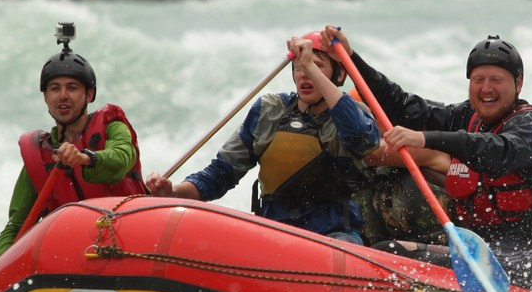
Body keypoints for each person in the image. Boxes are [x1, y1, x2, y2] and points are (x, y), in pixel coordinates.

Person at [326, 27, 532, 288]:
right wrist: (351, 57)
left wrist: (425, 138)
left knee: (394, 252)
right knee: (381, 243)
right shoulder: (468, 115)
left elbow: (496, 151)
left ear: (518, 83)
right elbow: (403, 106)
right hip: (486, 241)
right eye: (478, 79)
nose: (486, 89)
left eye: (496, 80)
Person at [145, 32, 381, 245]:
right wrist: (173, 192)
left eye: (316, 67)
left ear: (339, 74)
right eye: (299, 67)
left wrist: (312, 68)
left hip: (333, 235)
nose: (304, 74)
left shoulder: (353, 114)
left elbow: (363, 138)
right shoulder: (270, 111)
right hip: (273, 231)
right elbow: (220, 174)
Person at [0, 25, 148, 262]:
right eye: (55, 88)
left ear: (89, 95)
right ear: (45, 97)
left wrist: (86, 158)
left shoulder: (112, 126)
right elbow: (16, 226)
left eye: (72, 88)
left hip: (127, 245)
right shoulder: (40, 156)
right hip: (74, 257)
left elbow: (122, 158)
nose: (62, 95)